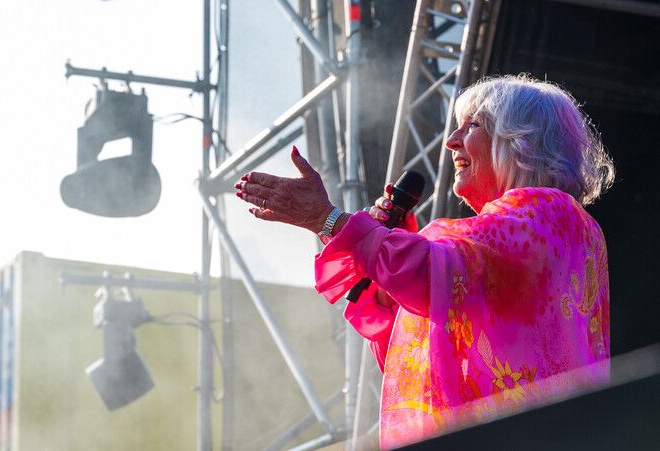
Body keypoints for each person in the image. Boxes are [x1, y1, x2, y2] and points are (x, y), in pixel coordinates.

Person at [235, 74, 615, 448]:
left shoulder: (544, 214)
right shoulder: (552, 226)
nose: (451, 141)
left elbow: (431, 275)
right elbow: (423, 342)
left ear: (521, 142)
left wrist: (329, 220)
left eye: (473, 125)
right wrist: (383, 249)